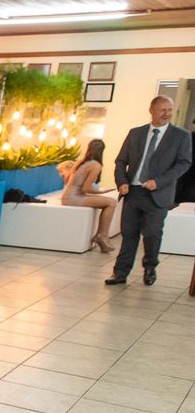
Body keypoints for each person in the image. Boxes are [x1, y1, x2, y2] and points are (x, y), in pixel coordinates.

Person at [107, 96, 193, 286]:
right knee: (128, 234)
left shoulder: (181, 136)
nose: (167, 114)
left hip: (158, 195)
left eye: (170, 110)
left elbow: (184, 163)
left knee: (152, 234)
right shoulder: (135, 133)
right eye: (162, 110)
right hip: (133, 193)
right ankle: (120, 273)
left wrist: (159, 181)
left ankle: (149, 267)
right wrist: (121, 181)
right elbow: (121, 161)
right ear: (151, 110)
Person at [60, 139, 117, 253]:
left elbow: (66, 180)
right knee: (111, 202)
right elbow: (86, 188)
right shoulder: (96, 165)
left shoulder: (79, 162)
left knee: (109, 201)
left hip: (67, 195)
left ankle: (101, 235)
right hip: (75, 198)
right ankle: (102, 235)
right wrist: (101, 193)